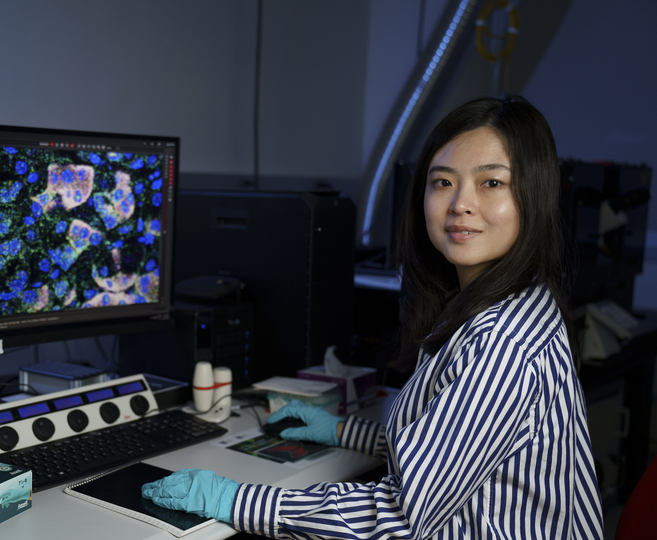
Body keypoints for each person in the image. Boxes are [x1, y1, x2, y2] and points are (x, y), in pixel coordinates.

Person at [141, 95, 604, 539]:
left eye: (491, 182)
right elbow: (458, 451)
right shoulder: (512, 300)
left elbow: (399, 519)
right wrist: (344, 431)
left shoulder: (501, 344)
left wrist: (233, 498)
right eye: (442, 181)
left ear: (534, 195)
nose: (460, 203)